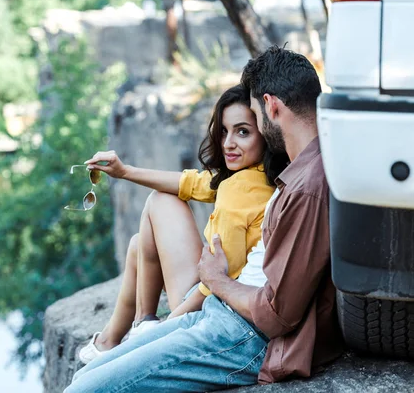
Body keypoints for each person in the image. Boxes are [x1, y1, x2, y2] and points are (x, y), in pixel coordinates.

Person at [65, 46, 343, 393]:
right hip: (220, 312)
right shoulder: (303, 168)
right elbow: (193, 183)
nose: (254, 125)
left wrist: (216, 279)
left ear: (272, 106)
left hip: (243, 337)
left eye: (254, 116)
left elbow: (277, 315)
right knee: (83, 379)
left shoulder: (307, 188)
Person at [77, 85, 288, 364]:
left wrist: (168, 327)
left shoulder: (242, 191)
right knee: (138, 244)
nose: (228, 143)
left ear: (265, 133)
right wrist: (124, 171)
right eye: (224, 131)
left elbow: (218, 281)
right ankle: (112, 338)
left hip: (210, 307)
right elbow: (189, 183)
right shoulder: (255, 176)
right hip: (215, 295)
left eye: (243, 132)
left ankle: (144, 327)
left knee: (160, 202)